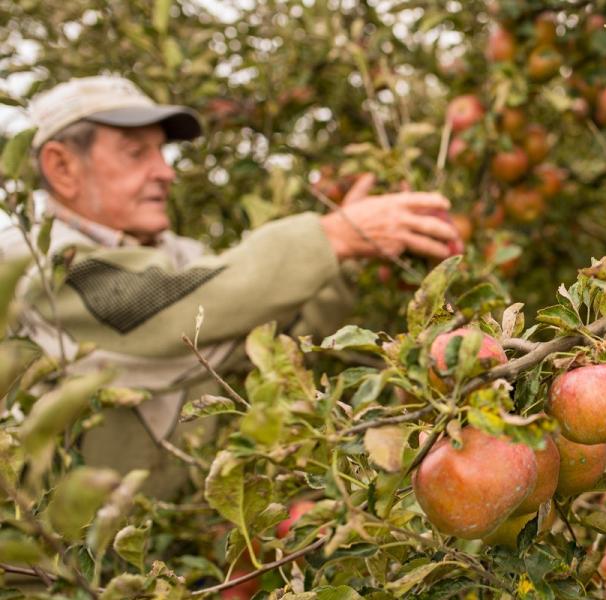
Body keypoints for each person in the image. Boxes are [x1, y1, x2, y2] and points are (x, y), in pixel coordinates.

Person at [0, 75, 460, 497]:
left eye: (162, 152)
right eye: (136, 153)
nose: (165, 171)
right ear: (62, 168)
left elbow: (265, 337)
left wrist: (350, 257)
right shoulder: (32, 265)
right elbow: (171, 311)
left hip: (170, 559)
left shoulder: (178, 258)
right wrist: (331, 236)